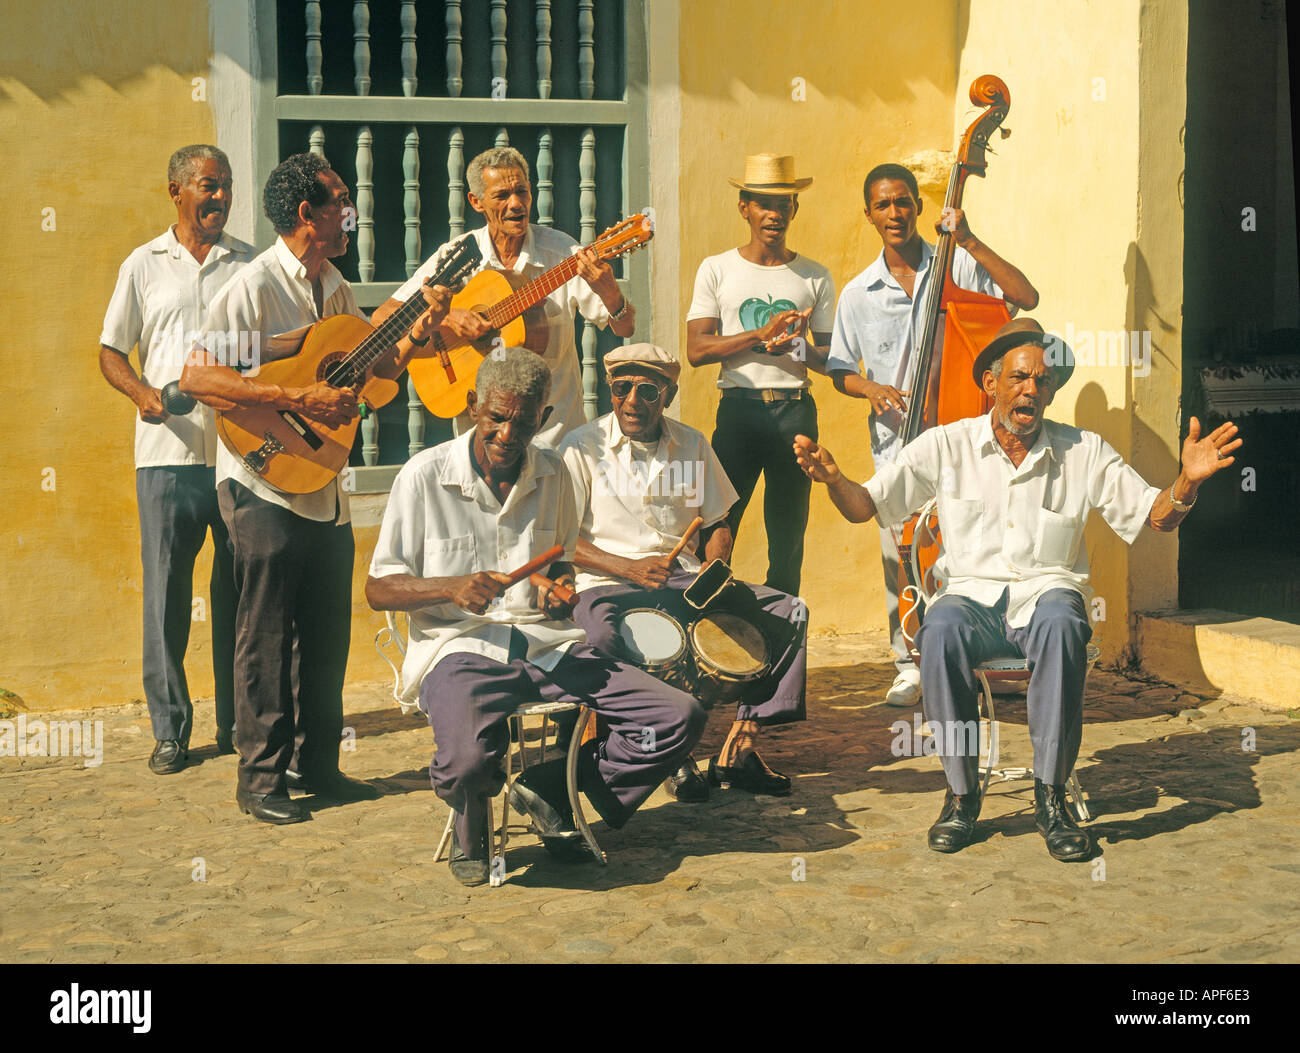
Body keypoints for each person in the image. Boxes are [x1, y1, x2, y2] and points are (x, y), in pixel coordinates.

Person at [796, 318, 1242, 862]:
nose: (1032, 389)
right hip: (971, 601)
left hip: (1047, 596)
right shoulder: (946, 445)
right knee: (938, 627)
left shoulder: (1083, 451)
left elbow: (1155, 517)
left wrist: (1186, 484)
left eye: (1043, 381)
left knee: (1061, 619)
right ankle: (961, 795)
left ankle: (1050, 795)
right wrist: (835, 480)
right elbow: (868, 506)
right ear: (991, 383)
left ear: (1052, 392)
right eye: (1020, 377)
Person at [365, 348, 707, 887]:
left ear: (542, 419)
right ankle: (471, 820)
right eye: (496, 418)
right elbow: (378, 588)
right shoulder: (424, 476)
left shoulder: (555, 475)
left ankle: (552, 785)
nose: (507, 434)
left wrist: (557, 590)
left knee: (676, 716)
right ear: (474, 406)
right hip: (460, 649)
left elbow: (564, 566)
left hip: (548, 644)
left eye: (523, 423)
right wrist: (449, 587)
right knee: (468, 764)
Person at [180, 152, 451, 824]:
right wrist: (293, 392)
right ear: (307, 213)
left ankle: (318, 765)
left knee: (326, 629)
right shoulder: (249, 287)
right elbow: (197, 376)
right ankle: (260, 779)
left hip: (322, 480)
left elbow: (376, 366)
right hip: (263, 478)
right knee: (266, 631)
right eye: (341, 202)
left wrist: (422, 324)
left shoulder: (332, 283)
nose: (350, 214)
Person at [825, 163, 1038, 709]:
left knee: (969, 551)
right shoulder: (858, 293)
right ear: (868, 213)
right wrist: (871, 389)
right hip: (898, 443)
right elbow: (840, 368)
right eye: (883, 205)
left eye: (903, 202)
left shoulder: (959, 263)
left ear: (918, 206)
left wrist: (967, 237)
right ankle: (908, 662)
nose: (894, 213)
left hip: (961, 436)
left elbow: (1026, 297)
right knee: (902, 557)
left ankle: (975, 659)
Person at [560, 343, 808, 801]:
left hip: (683, 581)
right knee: (599, 638)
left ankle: (740, 749)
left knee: (788, 611)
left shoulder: (692, 444)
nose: (633, 400)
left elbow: (717, 522)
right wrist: (627, 568)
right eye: (622, 388)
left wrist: (716, 566)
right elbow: (561, 538)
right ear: (610, 392)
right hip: (607, 582)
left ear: (668, 395)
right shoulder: (581, 447)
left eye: (648, 390)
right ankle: (658, 751)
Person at [99, 144, 254, 773]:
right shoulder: (143, 264)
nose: (218, 198)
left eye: (226, 187)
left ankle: (237, 724)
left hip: (240, 456)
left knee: (239, 596)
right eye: (207, 187)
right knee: (166, 597)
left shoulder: (247, 263)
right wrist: (142, 395)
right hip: (165, 457)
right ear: (176, 191)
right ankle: (170, 730)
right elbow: (112, 351)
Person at [371, 145, 637, 448]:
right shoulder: (457, 255)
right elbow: (383, 316)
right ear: (476, 201)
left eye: (522, 192)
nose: (515, 204)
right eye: (501, 196)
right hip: (480, 447)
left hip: (554, 441)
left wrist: (610, 291)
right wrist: (449, 317)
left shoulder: (563, 254)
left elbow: (625, 327)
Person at [686, 153, 836, 597]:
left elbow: (831, 360)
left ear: (795, 208)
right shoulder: (717, 269)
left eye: (783, 203)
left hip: (795, 413)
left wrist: (795, 343)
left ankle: (781, 645)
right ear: (744, 207)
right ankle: (706, 632)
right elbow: (696, 350)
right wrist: (760, 333)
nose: (774, 214)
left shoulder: (815, 276)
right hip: (739, 411)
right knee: (715, 531)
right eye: (763, 204)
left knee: (788, 540)